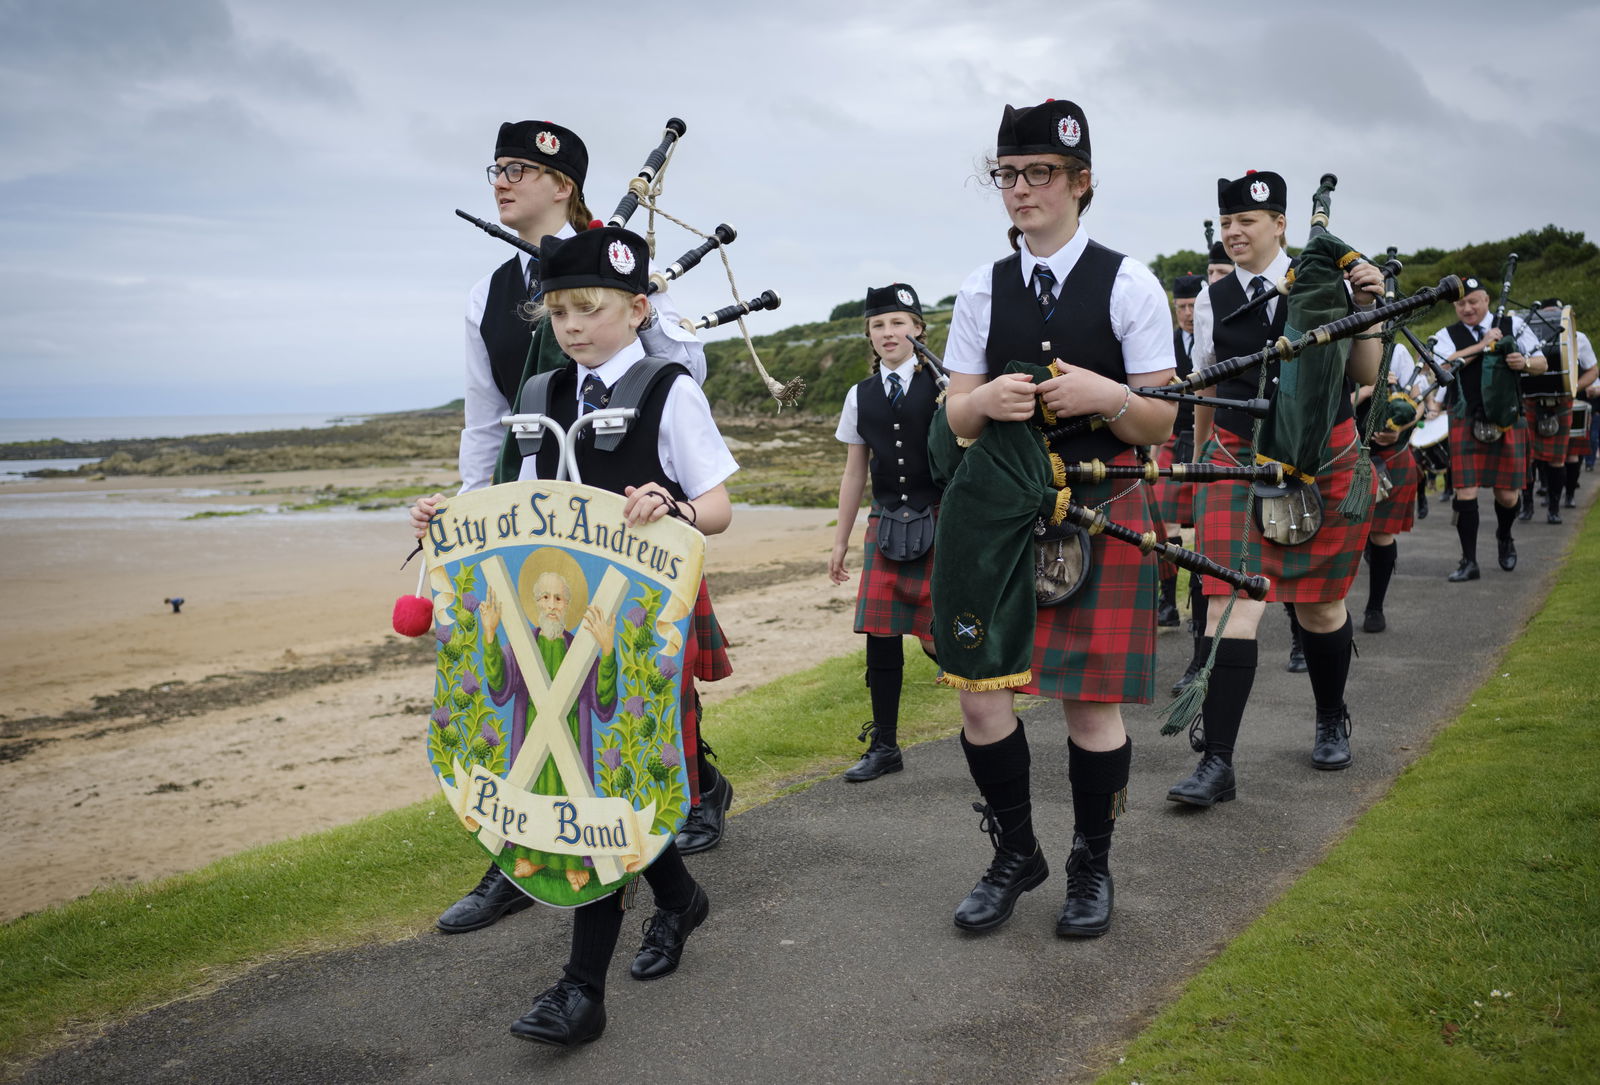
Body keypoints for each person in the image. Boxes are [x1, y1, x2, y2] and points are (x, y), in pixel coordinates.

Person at [411, 225, 736, 1046]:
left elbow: (720, 506)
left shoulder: (670, 388)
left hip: (630, 621)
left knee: (602, 778)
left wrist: (676, 507)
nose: (573, 326)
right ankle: (678, 898)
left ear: (638, 307)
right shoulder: (541, 394)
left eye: (589, 309)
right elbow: (517, 505)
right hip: (549, 616)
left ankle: (579, 990)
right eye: (559, 312)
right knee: (583, 785)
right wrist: (453, 516)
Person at [435, 119, 727, 938]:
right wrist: (469, 514)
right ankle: (522, 859)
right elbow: (485, 419)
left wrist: (640, 308)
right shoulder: (484, 293)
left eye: (519, 170)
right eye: (497, 167)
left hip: (634, 519)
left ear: (562, 184)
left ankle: (684, 800)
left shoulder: (620, 256)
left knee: (641, 690)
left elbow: (679, 376)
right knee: (544, 694)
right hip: (535, 523)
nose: (501, 181)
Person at [937, 99, 1176, 939]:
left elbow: (1160, 421)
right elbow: (955, 418)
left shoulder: (1130, 280)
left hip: (1100, 507)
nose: (1021, 189)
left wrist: (1111, 396)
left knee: (1088, 705)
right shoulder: (981, 287)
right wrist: (984, 402)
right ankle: (1015, 852)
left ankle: (1091, 863)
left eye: (1040, 173)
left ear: (1080, 183)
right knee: (980, 701)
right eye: (1008, 174)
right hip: (999, 515)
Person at [1170, 170, 1385, 809]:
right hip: (1236, 458)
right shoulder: (1213, 297)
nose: (1235, 233)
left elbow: (1364, 372)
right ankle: (1218, 763)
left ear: (1281, 225)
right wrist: (1203, 458)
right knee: (1229, 603)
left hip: (1323, 456)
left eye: (1249, 222)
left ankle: (1329, 716)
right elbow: (1209, 382)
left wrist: (1367, 309)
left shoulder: (1327, 281)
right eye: (1228, 222)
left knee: (1319, 607)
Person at [827, 283, 942, 782]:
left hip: (941, 518)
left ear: (918, 329)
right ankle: (886, 744)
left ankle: (986, 726)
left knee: (943, 636)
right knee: (879, 632)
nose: (889, 332)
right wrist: (840, 540)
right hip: (885, 522)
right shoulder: (860, 395)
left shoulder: (946, 386)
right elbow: (855, 471)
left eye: (899, 322)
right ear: (869, 337)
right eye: (878, 324)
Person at [1426, 277, 1547, 581]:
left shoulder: (1513, 324)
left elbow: (1542, 363)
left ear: (1486, 300)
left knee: (1507, 495)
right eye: (1460, 304)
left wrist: (1525, 364)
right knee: (1465, 492)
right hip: (1465, 416)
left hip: (1507, 415)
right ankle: (1469, 561)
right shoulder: (1447, 334)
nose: (1467, 309)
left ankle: (1504, 537)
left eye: (1473, 302)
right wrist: (1482, 345)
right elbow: (1441, 366)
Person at [1355, 342, 1421, 633]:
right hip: (1342, 451)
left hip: (1389, 455)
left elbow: (1417, 400)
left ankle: (1375, 607)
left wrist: (1400, 427)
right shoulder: (1335, 343)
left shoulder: (1397, 351)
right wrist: (1368, 389)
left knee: (1381, 534)